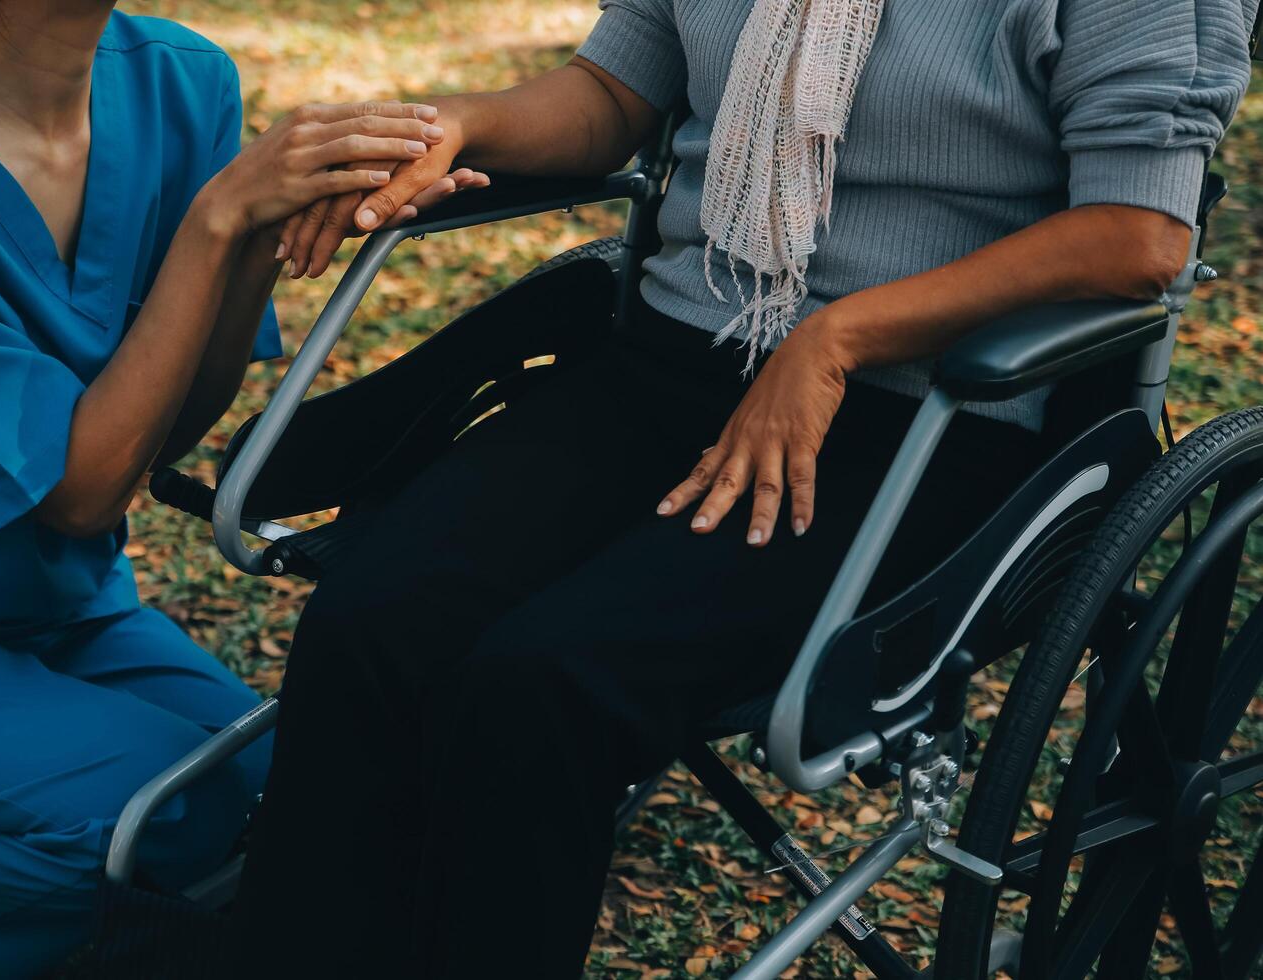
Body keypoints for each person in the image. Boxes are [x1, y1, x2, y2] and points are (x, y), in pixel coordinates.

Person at [229, 0, 1259, 977]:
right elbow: (612, 97)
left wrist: (839, 337)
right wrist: (455, 122)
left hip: (926, 420)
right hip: (671, 367)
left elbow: (1139, 235)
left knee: (545, 684)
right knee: (375, 617)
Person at [0, 1, 483, 977]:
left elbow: (158, 433)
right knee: (161, 815)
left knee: (285, 801)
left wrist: (257, 239)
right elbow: (79, 496)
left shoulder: (181, 79)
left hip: (58, 611)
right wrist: (217, 220)